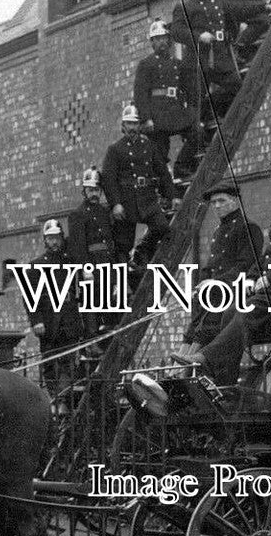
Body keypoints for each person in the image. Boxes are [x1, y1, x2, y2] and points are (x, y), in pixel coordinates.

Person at [180, 157, 271, 385]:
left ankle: (206, 360)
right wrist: (252, 278)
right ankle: (225, 382)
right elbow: (269, 256)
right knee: (229, 311)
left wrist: (269, 279)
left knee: (246, 310)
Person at [169, 0, 271, 130]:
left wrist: (265, 6)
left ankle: (214, 109)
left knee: (236, 87)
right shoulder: (184, 7)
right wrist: (198, 37)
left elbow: (241, 9)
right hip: (198, 62)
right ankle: (203, 118)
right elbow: (176, 31)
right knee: (195, 101)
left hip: (220, 58)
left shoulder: (220, 3)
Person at [179, 181, 264, 356]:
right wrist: (201, 285)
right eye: (214, 202)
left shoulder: (248, 227)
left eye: (222, 201)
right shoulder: (219, 230)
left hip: (232, 292)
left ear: (235, 201)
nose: (217, 206)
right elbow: (210, 266)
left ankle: (186, 367)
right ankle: (175, 368)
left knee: (206, 328)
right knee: (193, 327)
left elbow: (245, 266)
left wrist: (216, 283)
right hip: (214, 292)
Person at [100, 103, 179, 268]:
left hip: (147, 198)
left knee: (162, 227)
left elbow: (163, 172)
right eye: (129, 123)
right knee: (123, 243)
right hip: (126, 201)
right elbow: (109, 179)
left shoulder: (149, 146)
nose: (132, 127)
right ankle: (126, 277)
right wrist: (116, 204)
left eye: (135, 123)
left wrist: (172, 196)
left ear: (139, 125)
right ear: (123, 126)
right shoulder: (115, 149)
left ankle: (142, 250)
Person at [132, 19, 199, 180]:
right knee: (160, 153)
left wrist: (192, 109)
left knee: (197, 132)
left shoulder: (178, 63)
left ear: (169, 40)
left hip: (175, 109)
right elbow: (140, 93)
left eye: (164, 38)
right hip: (157, 114)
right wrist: (146, 119)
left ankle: (181, 167)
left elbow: (188, 88)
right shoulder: (146, 64)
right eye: (157, 39)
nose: (161, 41)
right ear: (152, 42)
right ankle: (164, 186)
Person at [26, 219, 84, 399]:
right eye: (50, 238)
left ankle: (65, 402)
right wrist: (36, 321)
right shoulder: (35, 266)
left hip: (69, 320)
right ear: (45, 240)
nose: (54, 242)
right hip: (49, 322)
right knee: (51, 364)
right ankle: (55, 400)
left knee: (71, 363)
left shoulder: (71, 262)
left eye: (57, 237)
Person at [67, 167, 119, 337]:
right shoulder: (78, 214)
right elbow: (78, 247)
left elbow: (110, 240)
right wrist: (85, 269)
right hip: (91, 265)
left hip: (107, 262)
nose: (94, 193)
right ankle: (92, 338)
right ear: (84, 191)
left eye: (97, 190)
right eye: (90, 190)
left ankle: (106, 331)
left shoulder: (105, 212)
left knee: (108, 297)